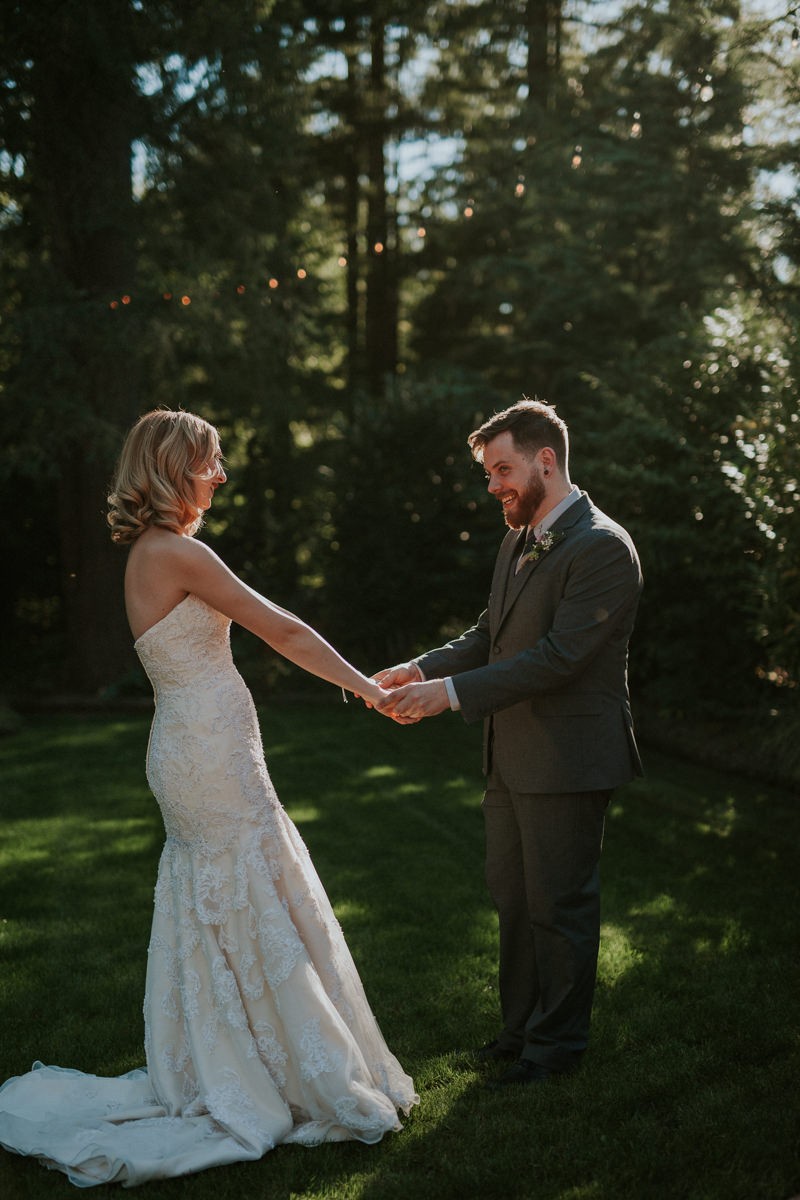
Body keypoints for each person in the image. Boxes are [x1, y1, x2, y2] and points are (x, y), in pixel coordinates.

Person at [0, 408, 417, 1186]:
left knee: (220, 897)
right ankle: (274, 1076)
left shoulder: (148, 554)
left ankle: (231, 1060)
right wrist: (363, 688)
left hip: (192, 747)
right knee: (246, 889)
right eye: (209, 462)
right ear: (170, 469)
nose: (220, 475)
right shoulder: (178, 553)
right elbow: (281, 630)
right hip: (207, 754)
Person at [375, 398, 642, 1087]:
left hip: (570, 759)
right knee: (515, 902)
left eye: (501, 469)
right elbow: (490, 630)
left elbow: (558, 658)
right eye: (489, 472)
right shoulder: (519, 537)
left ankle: (557, 1049)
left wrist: (453, 696)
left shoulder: (603, 547)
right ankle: (520, 1032)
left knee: (560, 905)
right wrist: (425, 668)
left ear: (544, 460)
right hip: (510, 756)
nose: (492, 484)